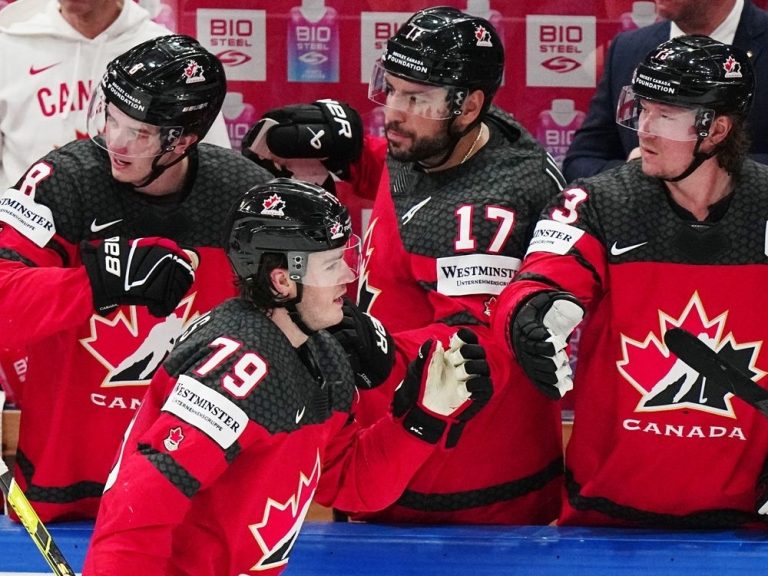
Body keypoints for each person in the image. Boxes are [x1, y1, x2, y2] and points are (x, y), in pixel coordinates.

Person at [245, 6, 566, 524]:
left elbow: (476, 352)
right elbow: (412, 194)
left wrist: (371, 344)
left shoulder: (488, 211)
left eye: (414, 98)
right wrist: (347, 159)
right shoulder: (448, 136)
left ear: (470, 105)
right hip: (394, 456)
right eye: (391, 88)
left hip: (464, 488)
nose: (393, 111)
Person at [82, 178, 492, 575]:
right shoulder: (236, 366)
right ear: (282, 280)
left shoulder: (323, 354)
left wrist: (422, 420)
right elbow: (143, 503)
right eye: (332, 265)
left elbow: (350, 483)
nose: (348, 278)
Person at [492, 35, 768, 528]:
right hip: (605, 513)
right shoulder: (599, 202)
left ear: (717, 128)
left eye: (666, 115)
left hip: (744, 521)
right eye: (641, 109)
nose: (644, 129)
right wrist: (530, 314)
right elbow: (536, 281)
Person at [0, 34, 271, 522]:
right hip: (67, 487)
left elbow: (293, 329)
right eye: (112, 118)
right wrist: (96, 281)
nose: (116, 142)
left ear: (185, 138)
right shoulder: (61, 181)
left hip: (195, 488)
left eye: (141, 132)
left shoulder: (246, 195)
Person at [0, 0, 231, 191]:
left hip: (136, 232)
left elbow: (212, 164)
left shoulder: (168, 56)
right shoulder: (9, 43)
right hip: (28, 228)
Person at [562, 0, 768, 182]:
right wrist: (633, 174)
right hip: (643, 220)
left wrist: (698, 172)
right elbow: (580, 161)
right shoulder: (627, 48)